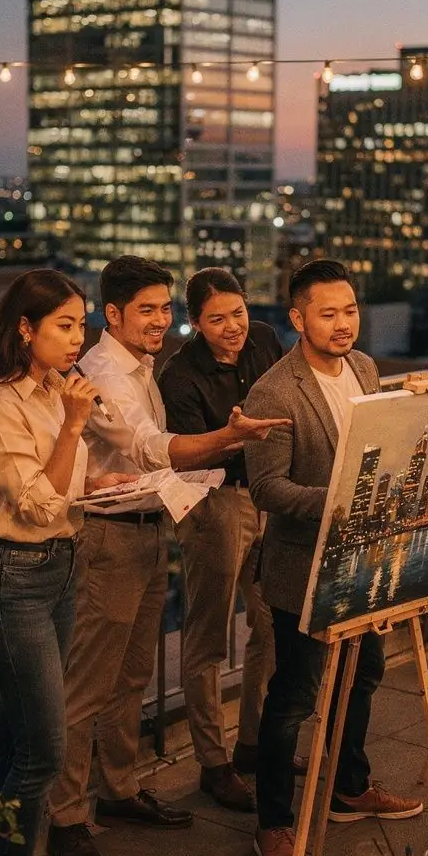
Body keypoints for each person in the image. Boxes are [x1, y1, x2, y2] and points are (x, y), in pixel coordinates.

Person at [47, 256, 290, 856]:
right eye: (146, 310)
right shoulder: (103, 372)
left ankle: (119, 789)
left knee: (131, 675)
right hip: (110, 537)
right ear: (113, 314)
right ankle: (65, 818)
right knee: (88, 685)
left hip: (151, 525)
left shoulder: (143, 366)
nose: (160, 320)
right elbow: (151, 447)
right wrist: (231, 437)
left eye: (164, 308)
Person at [244, 259, 424, 856]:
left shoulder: (365, 369)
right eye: (328, 313)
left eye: (350, 310)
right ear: (298, 319)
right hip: (302, 566)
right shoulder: (274, 392)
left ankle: (349, 787)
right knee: (294, 697)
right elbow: (266, 488)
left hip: (363, 560)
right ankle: (272, 823)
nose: (344, 323)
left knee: (364, 674)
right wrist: (345, 498)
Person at [0, 270, 100, 856]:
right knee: (45, 748)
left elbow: (66, 486)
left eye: (81, 325)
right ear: (25, 328)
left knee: (17, 740)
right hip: (12, 579)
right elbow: (39, 504)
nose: (77, 339)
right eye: (63, 325)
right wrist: (74, 425)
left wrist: (108, 482)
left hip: (60, 570)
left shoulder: (51, 393)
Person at [158, 267, 282, 812]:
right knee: (208, 635)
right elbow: (190, 455)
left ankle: (255, 742)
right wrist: (233, 437)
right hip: (216, 502)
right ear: (195, 323)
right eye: (216, 319)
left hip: (268, 494)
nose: (233, 327)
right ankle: (213, 763)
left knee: (271, 622)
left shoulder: (265, 340)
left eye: (238, 312)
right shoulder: (180, 375)